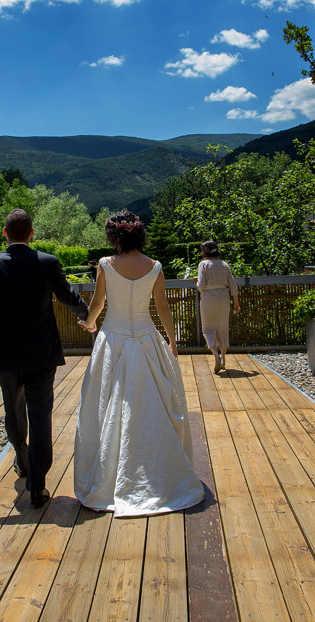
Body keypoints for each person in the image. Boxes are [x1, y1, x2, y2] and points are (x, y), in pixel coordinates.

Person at [0, 209, 90, 510]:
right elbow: (68, 296)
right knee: (41, 416)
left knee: (14, 412)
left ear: (5, 233)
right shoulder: (47, 262)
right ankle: (38, 486)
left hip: (7, 354)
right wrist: (88, 317)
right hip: (42, 353)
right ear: (31, 233)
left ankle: (22, 457)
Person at [75, 212, 203, 517]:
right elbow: (162, 306)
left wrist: (90, 323)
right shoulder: (154, 266)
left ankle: (110, 474)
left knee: (103, 405)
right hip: (147, 339)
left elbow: (98, 303)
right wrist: (172, 341)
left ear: (114, 237)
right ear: (139, 234)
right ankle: (157, 474)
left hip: (113, 340)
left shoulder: (105, 264)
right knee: (153, 405)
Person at [194, 240, 241, 373]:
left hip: (208, 299)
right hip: (223, 297)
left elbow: (201, 285)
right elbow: (233, 285)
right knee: (223, 327)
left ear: (205, 251)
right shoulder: (224, 264)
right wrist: (236, 303)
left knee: (207, 329)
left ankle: (216, 356)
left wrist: (196, 283)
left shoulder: (203, 264)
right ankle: (224, 358)